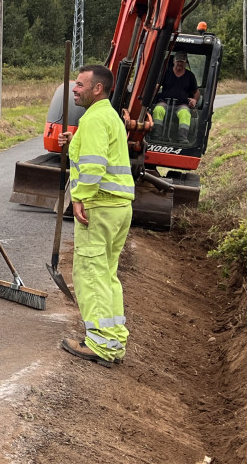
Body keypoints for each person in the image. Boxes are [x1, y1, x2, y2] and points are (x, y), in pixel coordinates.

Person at [57, 64, 135, 368]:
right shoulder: (108, 117)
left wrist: (80, 198)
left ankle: (100, 343)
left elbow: (93, 165)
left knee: (90, 274)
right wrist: (72, 142)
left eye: (80, 85)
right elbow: (94, 152)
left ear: (97, 88)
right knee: (107, 274)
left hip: (98, 207)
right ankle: (114, 341)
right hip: (117, 208)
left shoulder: (93, 119)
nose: (74, 89)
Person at [152, 50, 200, 144]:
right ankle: (156, 135)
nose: (179, 63)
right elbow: (157, 86)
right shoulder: (166, 73)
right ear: (174, 61)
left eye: (182, 61)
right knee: (158, 110)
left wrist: (194, 100)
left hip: (182, 104)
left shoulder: (190, 76)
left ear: (185, 63)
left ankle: (182, 138)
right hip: (164, 102)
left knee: (185, 114)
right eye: (178, 61)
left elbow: (196, 92)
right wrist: (150, 97)